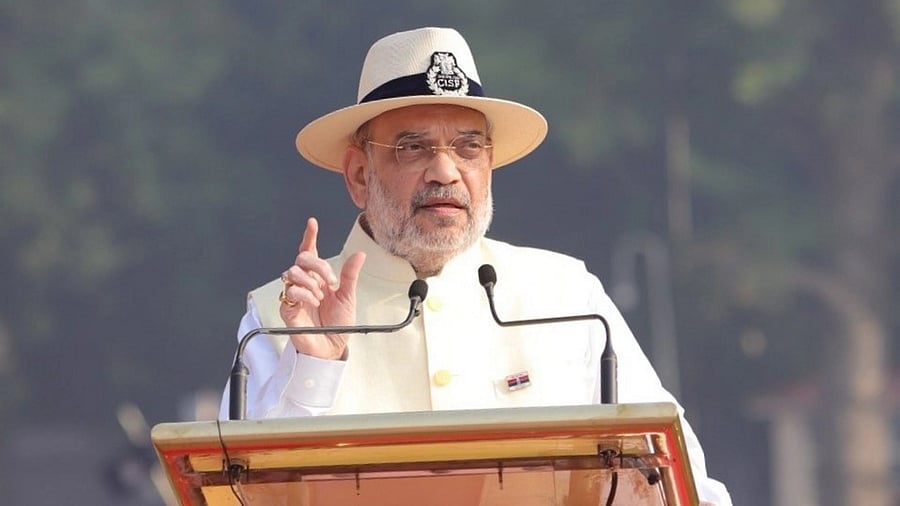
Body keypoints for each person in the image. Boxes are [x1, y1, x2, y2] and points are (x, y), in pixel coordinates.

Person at [219, 27, 732, 504]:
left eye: (468, 147)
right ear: (358, 175)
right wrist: (313, 367)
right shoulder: (282, 316)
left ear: (488, 165)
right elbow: (237, 492)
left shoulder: (567, 296)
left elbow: (681, 481)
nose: (445, 171)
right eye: (412, 147)